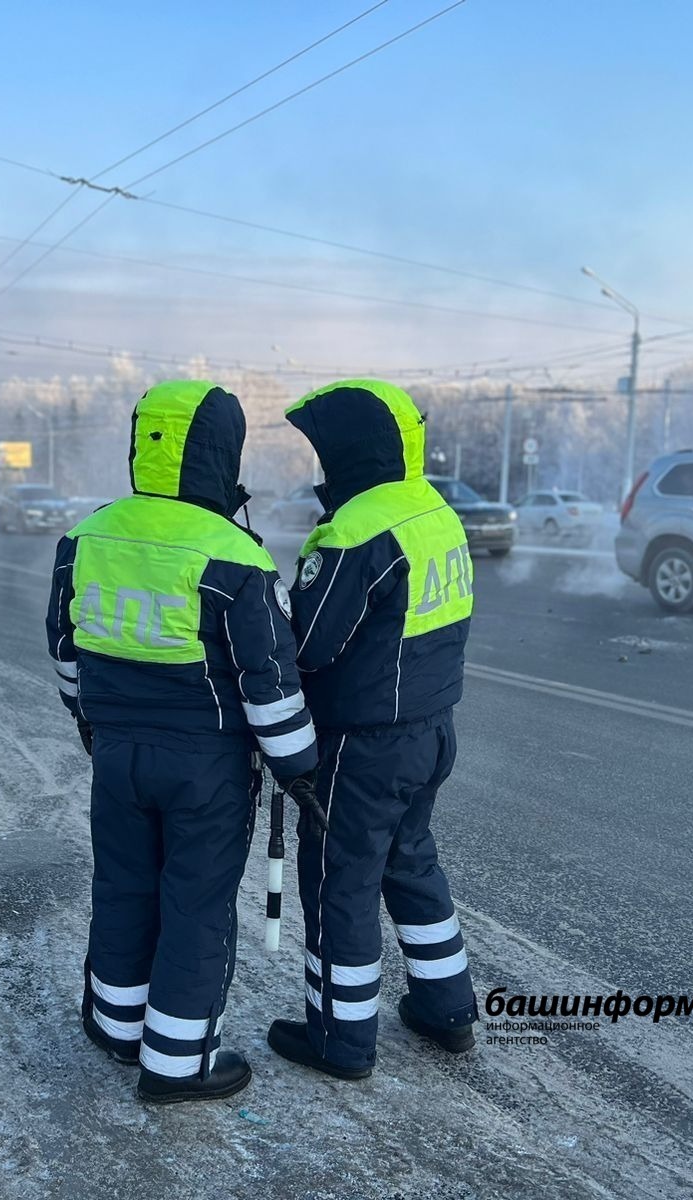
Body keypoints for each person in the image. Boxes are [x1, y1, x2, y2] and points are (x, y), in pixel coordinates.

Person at [45, 379, 323, 1104]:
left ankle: (116, 1026)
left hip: (117, 754)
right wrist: (299, 769)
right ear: (221, 454)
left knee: (123, 887)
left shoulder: (87, 534)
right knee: (196, 904)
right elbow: (268, 681)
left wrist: (90, 725)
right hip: (207, 766)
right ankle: (177, 1064)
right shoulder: (234, 555)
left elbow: (67, 652)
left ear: (143, 445)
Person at [266, 379, 478, 1081]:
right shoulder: (435, 511)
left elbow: (314, 642)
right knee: (411, 862)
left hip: (363, 743)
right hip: (431, 730)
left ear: (352, 454)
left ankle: (341, 1040)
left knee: (340, 883)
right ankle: (448, 1011)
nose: (320, 472)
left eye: (326, 456)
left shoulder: (357, 529)